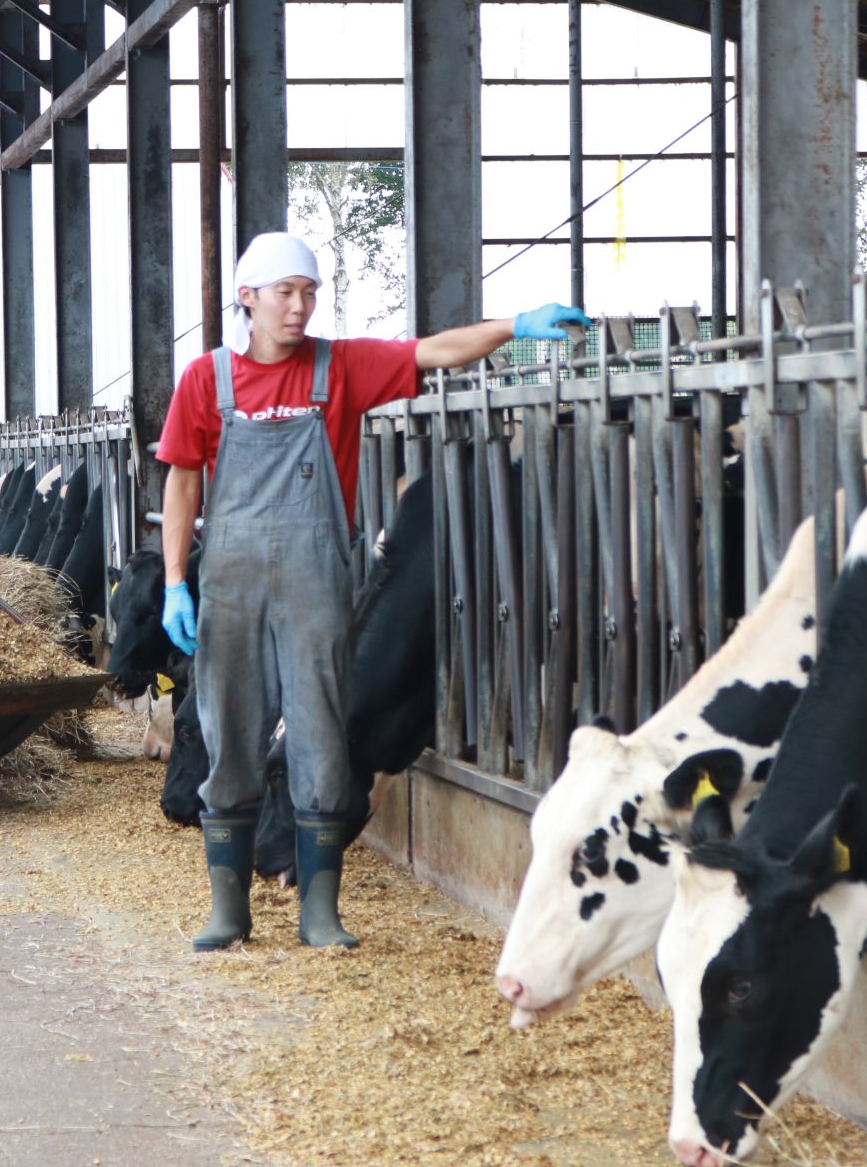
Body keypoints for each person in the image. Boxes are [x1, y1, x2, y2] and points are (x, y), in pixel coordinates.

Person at [157, 231, 588, 952]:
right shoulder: (208, 381)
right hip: (229, 586)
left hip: (317, 583)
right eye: (286, 293)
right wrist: (174, 581)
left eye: (310, 293)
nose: (300, 308)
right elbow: (182, 479)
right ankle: (228, 909)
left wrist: (514, 325)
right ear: (248, 298)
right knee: (229, 733)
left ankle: (320, 911)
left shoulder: (343, 365)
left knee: (323, 733)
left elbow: (434, 351)